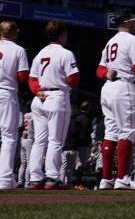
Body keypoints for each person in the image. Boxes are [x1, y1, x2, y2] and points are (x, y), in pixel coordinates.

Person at [96, 8, 135, 190]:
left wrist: (107, 72)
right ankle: (123, 178)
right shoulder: (133, 40)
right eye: (133, 20)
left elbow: (99, 70)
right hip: (125, 85)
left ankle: (106, 179)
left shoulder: (110, 42)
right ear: (126, 22)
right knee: (127, 132)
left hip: (108, 87)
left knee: (110, 133)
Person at [27, 19, 79, 190]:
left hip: (40, 97)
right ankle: (52, 178)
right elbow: (73, 79)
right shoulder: (66, 53)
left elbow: (32, 79)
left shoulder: (40, 53)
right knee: (55, 141)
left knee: (39, 141)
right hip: (57, 96)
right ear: (62, 34)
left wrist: (37, 90)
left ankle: (35, 179)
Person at [0, 21, 28, 189]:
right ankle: (4, 177)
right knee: (9, 136)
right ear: (14, 33)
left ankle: (8, 179)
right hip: (6, 92)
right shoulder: (18, 50)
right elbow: (23, 76)